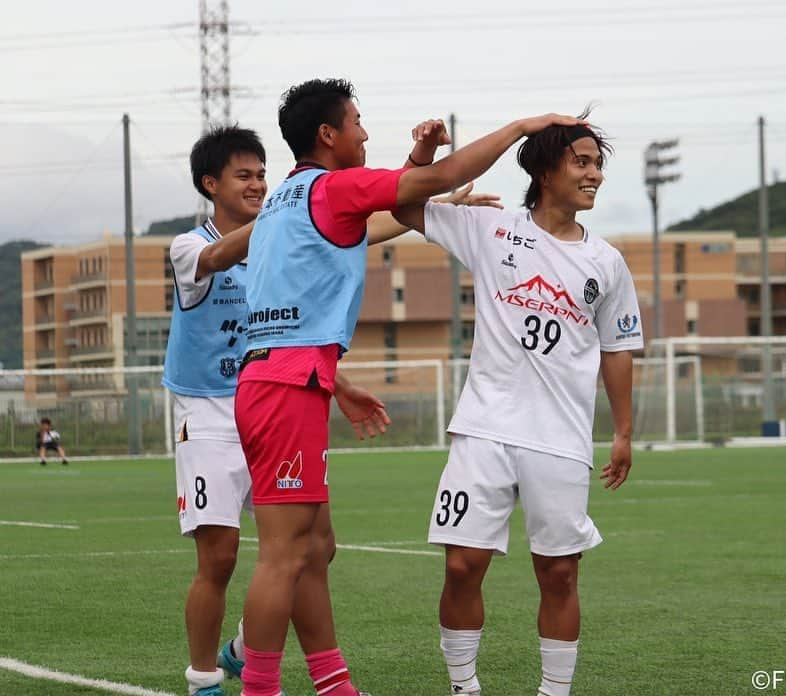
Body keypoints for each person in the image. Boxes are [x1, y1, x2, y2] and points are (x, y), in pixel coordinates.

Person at [233, 77, 564, 696]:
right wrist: (519, 127)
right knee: (283, 553)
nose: (364, 132)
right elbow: (431, 185)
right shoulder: (334, 186)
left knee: (314, 546)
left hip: (283, 379)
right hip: (283, 386)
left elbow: (388, 208)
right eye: (357, 122)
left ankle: (334, 685)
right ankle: (259, 688)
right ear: (327, 135)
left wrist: (337, 384)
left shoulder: (289, 196)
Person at [166, 124, 497, 696]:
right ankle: (204, 680)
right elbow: (229, 252)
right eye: (244, 176)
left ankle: (254, 653)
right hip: (211, 410)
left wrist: (433, 208)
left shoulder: (285, 235)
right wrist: (295, 213)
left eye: (263, 175)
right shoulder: (190, 245)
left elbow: (351, 238)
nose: (257, 184)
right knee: (222, 555)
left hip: (274, 386)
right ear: (209, 183)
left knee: (315, 547)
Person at [391, 113, 643, 696]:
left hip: (560, 438)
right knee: (461, 565)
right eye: (582, 162)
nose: (594, 175)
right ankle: (464, 686)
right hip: (484, 428)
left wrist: (624, 431)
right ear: (543, 168)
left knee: (558, 572)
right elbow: (404, 204)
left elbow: (619, 347)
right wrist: (425, 155)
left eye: (598, 164)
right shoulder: (492, 228)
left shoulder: (606, 262)